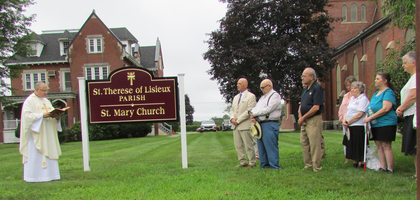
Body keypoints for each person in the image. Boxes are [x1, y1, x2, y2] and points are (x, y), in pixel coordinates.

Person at [19, 81, 63, 182]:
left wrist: (57, 116)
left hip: (47, 133)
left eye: (46, 90)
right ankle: (35, 176)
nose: (45, 93)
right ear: (37, 89)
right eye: (43, 90)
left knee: (49, 149)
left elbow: (51, 112)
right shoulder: (29, 101)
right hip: (36, 133)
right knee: (36, 153)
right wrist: (41, 115)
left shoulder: (46, 101)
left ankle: (52, 175)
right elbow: (26, 117)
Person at [363, 72, 398, 173]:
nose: (375, 81)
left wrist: (370, 118)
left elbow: (386, 108)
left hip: (386, 123)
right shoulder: (375, 94)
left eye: (378, 79)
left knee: (386, 145)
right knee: (379, 145)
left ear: (385, 80)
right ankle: (383, 166)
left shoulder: (388, 92)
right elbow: (371, 107)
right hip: (375, 123)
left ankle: (390, 168)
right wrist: (368, 115)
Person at [250, 79, 282, 169]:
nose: (262, 89)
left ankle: (274, 165)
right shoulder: (262, 98)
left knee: (270, 145)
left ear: (269, 86)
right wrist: (252, 115)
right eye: (261, 88)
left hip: (270, 123)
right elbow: (255, 108)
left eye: (263, 87)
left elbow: (269, 109)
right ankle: (264, 165)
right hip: (260, 123)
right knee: (261, 146)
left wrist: (255, 113)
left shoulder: (274, 96)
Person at [298, 67, 324, 172]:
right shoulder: (305, 89)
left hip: (313, 119)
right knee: (304, 142)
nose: (302, 78)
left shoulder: (317, 88)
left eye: (304, 76)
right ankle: (308, 164)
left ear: (311, 77)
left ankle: (316, 166)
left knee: (314, 143)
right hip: (304, 120)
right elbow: (302, 105)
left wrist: (304, 117)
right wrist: (300, 118)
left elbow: (316, 107)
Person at [396, 51, 417, 178]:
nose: (403, 65)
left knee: (415, 144)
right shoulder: (412, 77)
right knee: (413, 146)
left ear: (413, 63)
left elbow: (414, 96)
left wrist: (401, 108)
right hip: (410, 114)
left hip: (414, 115)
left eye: (405, 63)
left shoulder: (416, 77)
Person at [230, 78, 257, 169]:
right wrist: (232, 119)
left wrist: (238, 120)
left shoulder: (251, 96)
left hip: (245, 125)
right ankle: (243, 161)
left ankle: (252, 162)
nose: (237, 85)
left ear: (245, 85)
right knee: (238, 145)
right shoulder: (236, 97)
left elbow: (249, 111)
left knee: (248, 145)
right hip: (235, 126)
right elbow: (232, 110)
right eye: (237, 83)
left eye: (240, 83)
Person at [342, 82, 369, 168]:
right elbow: (347, 111)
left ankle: (361, 162)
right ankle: (355, 161)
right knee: (352, 143)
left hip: (358, 125)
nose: (352, 89)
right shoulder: (352, 99)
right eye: (352, 88)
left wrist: (349, 122)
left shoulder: (363, 99)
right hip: (350, 126)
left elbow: (359, 114)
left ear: (360, 90)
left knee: (358, 144)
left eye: (355, 88)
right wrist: (344, 121)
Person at [339, 76, 357, 163]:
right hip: (345, 121)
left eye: (350, 85)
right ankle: (347, 157)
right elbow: (342, 108)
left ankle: (355, 157)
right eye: (347, 85)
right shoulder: (346, 96)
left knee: (354, 139)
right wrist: (342, 119)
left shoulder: (358, 96)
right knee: (346, 139)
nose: (349, 87)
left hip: (354, 121)